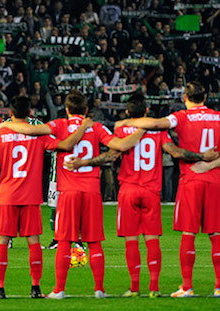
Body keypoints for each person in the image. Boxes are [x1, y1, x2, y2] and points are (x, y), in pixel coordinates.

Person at [66, 93, 218, 298]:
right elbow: (175, 152)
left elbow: (111, 155)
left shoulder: (121, 128)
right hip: (152, 190)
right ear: (147, 111)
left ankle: (135, 288)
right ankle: (154, 288)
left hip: (128, 189)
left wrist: (83, 163)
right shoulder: (158, 132)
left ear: (128, 111)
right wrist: (202, 157)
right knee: (152, 239)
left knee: (131, 240)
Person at [0, 90, 146, 299]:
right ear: (86, 109)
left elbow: (30, 130)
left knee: (64, 240)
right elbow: (121, 146)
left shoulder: (58, 125)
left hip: (68, 192)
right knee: (94, 242)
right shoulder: (95, 127)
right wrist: (142, 129)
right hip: (92, 191)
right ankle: (99, 290)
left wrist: (5, 125)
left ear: (67, 109)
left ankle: (59, 290)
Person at [116, 82, 220, 297]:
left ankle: (187, 287)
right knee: (216, 234)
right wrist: (210, 164)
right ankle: (219, 286)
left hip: (189, 180)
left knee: (188, 233)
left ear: (185, 97)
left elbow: (156, 124)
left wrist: (125, 122)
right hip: (215, 181)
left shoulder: (180, 117)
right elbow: (170, 146)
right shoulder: (218, 117)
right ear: (206, 96)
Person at [0, 96, 92, 299]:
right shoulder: (38, 135)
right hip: (31, 195)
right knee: (33, 242)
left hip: (6, 194)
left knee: (2, 241)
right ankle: (36, 289)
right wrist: (82, 129)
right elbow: (65, 145)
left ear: (10, 113)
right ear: (30, 113)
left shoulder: (1, 134)